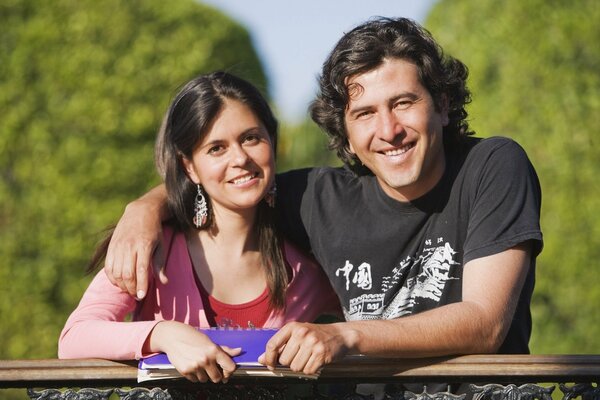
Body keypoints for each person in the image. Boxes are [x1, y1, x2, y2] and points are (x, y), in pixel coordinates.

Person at [103, 17, 542, 376]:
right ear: (346, 135)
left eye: (404, 102)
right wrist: (143, 209)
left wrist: (346, 335)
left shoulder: (492, 165)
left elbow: (485, 321)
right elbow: (230, 179)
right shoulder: (317, 197)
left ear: (442, 106)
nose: (388, 130)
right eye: (365, 113)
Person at [58, 71, 341, 384]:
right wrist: (163, 334)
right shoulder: (153, 248)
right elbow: (74, 338)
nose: (240, 158)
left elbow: (372, 317)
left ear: (272, 143)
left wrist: (333, 335)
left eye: (251, 138)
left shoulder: (307, 266)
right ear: (189, 166)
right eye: (216, 148)